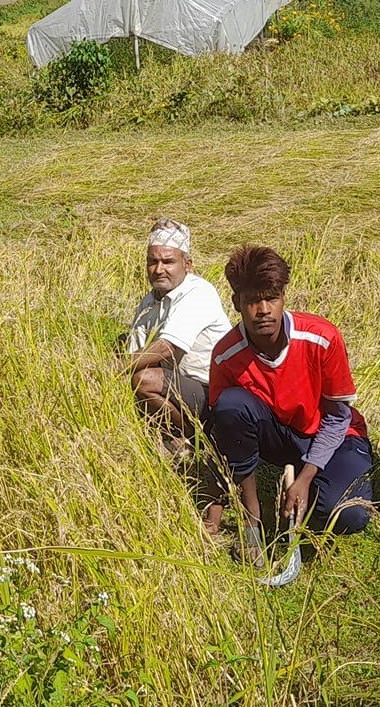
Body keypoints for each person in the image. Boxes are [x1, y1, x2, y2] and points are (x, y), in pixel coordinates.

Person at [207, 245, 374, 552]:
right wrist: (220, 511)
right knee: (230, 404)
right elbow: (226, 431)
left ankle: (308, 499)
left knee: (350, 515)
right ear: (236, 303)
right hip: (281, 436)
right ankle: (253, 517)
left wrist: (306, 478)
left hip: (334, 436)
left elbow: (338, 418)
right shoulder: (226, 355)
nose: (263, 310)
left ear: (283, 298)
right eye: (252, 301)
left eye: (271, 298)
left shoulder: (321, 338)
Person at [123, 219, 232, 532]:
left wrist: (113, 369)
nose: (159, 269)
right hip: (183, 387)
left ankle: (190, 438)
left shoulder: (198, 293)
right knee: (141, 376)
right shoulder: (148, 303)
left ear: (188, 264)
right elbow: (137, 350)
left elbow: (167, 349)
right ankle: (180, 439)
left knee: (142, 379)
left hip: (214, 390)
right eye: (152, 261)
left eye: (168, 261)